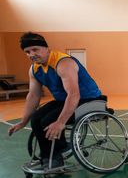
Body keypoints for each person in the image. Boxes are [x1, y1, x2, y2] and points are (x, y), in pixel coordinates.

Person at [8, 32, 103, 168]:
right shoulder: (34, 69)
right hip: (65, 100)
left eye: (35, 49)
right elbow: (33, 95)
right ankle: (49, 155)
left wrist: (60, 122)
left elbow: (74, 95)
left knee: (51, 119)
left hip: (89, 100)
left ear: (47, 48)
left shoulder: (64, 63)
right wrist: (23, 121)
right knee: (36, 118)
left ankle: (56, 157)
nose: (31, 54)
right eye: (27, 52)